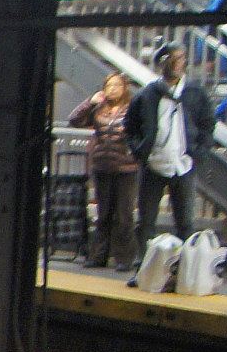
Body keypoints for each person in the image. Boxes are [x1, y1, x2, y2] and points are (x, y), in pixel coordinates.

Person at [126, 41, 216, 254]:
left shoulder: (195, 93)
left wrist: (199, 152)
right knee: (146, 221)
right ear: (162, 62)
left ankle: (183, 266)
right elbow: (130, 125)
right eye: (171, 59)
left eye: (181, 58)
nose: (176, 63)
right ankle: (144, 263)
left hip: (183, 165)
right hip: (153, 165)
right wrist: (139, 150)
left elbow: (208, 124)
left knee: (185, 222)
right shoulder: (147, 94)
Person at [68, 71, 140, 271]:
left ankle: (124, 258)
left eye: (117, 85)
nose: (113, 89)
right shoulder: (99, 108)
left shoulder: (132, 108)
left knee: (124, 215)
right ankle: (99, 255)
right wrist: (90, 102)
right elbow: (74, 119)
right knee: (103, 213)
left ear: (124, 88)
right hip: (102, 165)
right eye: (109, 86)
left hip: (126, 167)